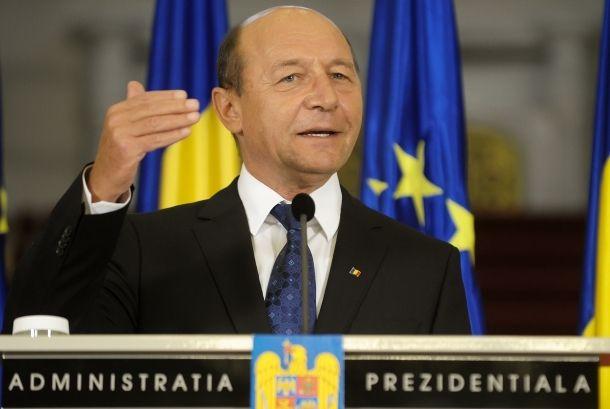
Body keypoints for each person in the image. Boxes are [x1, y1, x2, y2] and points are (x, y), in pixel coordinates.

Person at [3, 7, 470, 335]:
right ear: (229, 109)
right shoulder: (146, 250)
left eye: (340, 75)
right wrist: (105, 182)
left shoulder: (427, 267)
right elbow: (40, 324)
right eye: (291, 77)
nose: (326, 98)